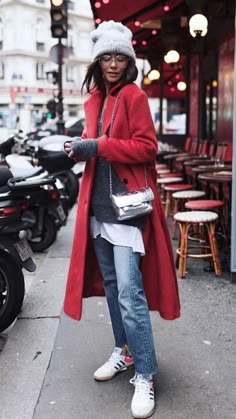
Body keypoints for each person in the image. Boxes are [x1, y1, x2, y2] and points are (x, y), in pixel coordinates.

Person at [63, 20, 180, 419]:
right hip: (97, 206)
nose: (113, 64)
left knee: (131, 295)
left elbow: (147, 148)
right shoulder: (95, 99)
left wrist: (96, 145)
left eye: (119, 57)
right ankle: (124, 352)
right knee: (113, 288)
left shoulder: (134, 96)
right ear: (97, 62)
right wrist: (79, 147)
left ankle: (145, 373)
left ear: (128, 61)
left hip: (127, 208)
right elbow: (95, 144)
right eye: (106, 57)